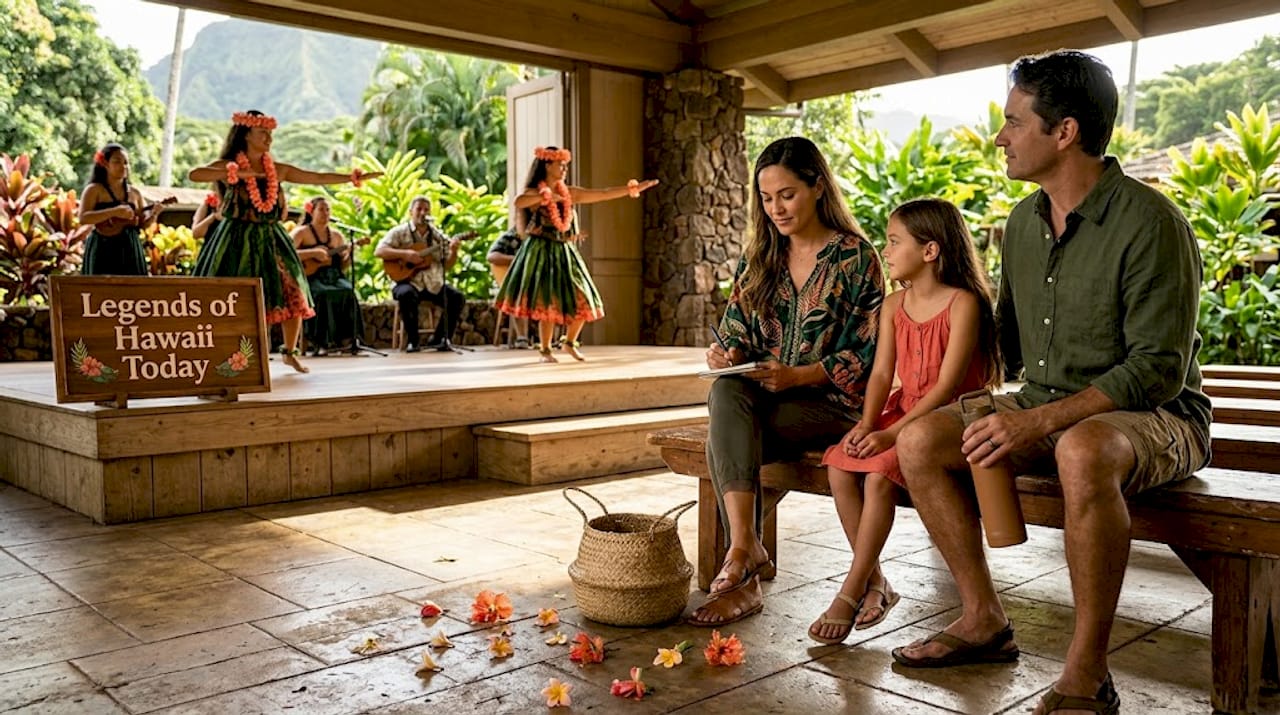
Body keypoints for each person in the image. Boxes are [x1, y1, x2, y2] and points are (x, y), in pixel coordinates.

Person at [888, 51, 1210, 715]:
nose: (1001, 136)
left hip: (1157, 415)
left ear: (1064, 132)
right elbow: (1005, 344)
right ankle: (981, 618)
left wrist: (1034, 423)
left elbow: (1156, 369)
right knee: (921, 440)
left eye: (1012, 122)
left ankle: (1088, 672)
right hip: (1048, 405)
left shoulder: (1152, 223)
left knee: (1081, 448)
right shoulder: (1023, 228)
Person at [688, 136, 884, 627]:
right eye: (767, 197)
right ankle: (744, 545)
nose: (775, 208)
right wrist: (727, 353)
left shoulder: (856, 259)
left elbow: (871, 351)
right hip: (767, 403)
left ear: (818, 187)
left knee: (728, 438)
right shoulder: (759, 259)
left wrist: (801, 374)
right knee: (725, 391)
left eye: (787, 194)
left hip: (834, 406)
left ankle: (745, 576)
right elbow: (735, 331)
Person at [808, 198, 1001, 645]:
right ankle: (877, 582)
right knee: (839, 466)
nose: (887, 250)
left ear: (930, 251)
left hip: (948, 417)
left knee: (877, 480)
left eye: (895, 242)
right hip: (902, 411)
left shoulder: (963, 304)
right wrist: (867, 423)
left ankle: (851, 589)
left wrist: (891, 435)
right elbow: (880, 374)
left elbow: (946, 387)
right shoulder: (894, 305)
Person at [188, 110, 380, 373]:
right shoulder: (229, 164)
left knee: (292, 292)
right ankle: (234, 355)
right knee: (238, 298)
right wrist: (238, 173)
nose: (269, 138)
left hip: (271, 238)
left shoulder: (276, 170)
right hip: (236, 240)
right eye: (262, 133)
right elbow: (195, 174)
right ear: (246, 135)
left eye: (270, 133)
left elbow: (317, 177)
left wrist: (350, 178)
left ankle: (289, 352)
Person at [494, 146, 657, 362]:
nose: (564, 169)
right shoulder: (536, 192)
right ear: (547, 165)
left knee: (584, 297)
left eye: (565, 165)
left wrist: (631, 190)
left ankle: (569, 342)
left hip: (566, 251)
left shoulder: (568, 192)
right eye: (560, 165)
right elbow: (519, 201)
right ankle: (545, 349)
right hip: (542, 252)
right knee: (549, 300)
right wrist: (546, 197)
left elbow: (602, 194)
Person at [375, 197, 466, 352]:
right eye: (419, 209)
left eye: (426, 210)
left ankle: (441, 339)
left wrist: (454, 251)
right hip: (406, 282)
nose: (423, 213)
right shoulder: (399, 232)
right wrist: (405, 255)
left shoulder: (437, 236)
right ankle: (413, 341)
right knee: (406, 295)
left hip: (433, 284)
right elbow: (379, 251)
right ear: (411, 212)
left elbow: (447, 265)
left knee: (457, 297)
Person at [79, 143, 168, 275]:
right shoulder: (94, 190)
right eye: (117, 162)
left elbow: (143, 225)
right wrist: (114, 211)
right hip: (102, 247)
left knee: (131, 293)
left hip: (130, 247)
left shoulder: (135, 193)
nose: (124, 166)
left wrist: (154, 214)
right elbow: (83, 218)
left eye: (126, 163)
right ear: (104, 164)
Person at [291, 197, 363, 355]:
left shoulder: (337, 236)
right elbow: (286, 253)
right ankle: (320, 341)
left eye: (328, 209)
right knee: (322, 295)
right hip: (311, 277)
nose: (325, 213)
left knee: (348, 292)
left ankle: (348, 339)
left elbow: (342, 266)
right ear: (311, 211)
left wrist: (349, 254)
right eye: (321, 209)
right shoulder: (301, 232)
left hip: (334, 277)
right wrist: (313, 252)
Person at [487, 226, 533, 348]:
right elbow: (491, 257)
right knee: (518, 292)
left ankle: (557, 338)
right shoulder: (510, 237)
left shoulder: (540, 239)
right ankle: (522, 337)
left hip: (535, 282)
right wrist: (517, 260)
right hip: (516, 283)